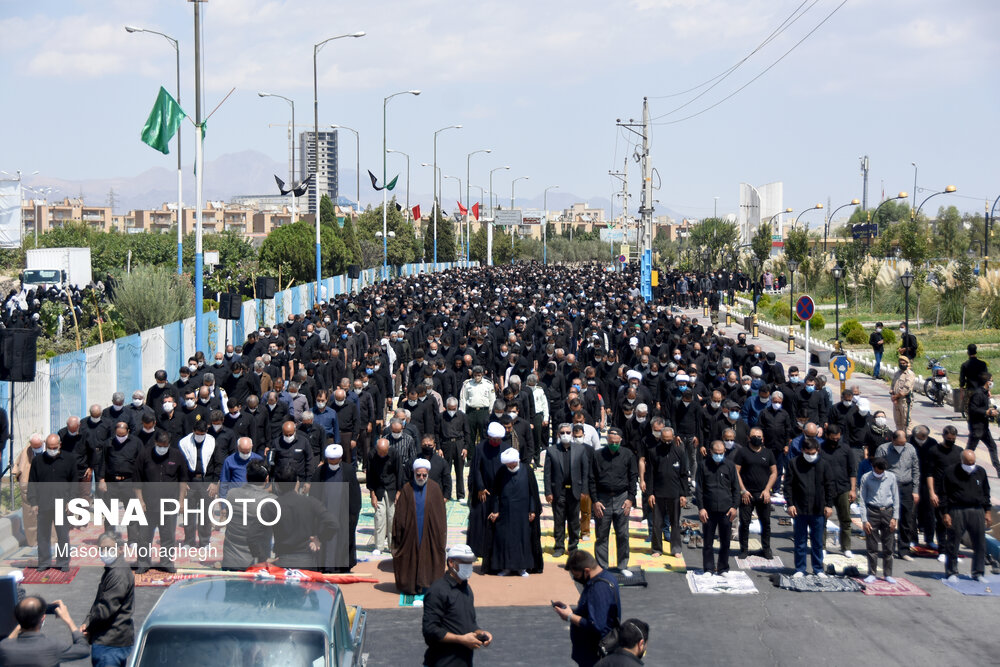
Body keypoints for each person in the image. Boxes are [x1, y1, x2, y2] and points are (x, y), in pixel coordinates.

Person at [421, 544, 493, 666]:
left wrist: (480, 633)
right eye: (464, 562)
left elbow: (470, 623)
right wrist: (461, 639)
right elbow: (430, 630)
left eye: (470, 562)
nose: (469, 566)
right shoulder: (437, 591)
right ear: (451, 562)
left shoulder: (466, 589)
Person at [553, 550, 621, 667]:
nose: (576, 579)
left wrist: (569, 616)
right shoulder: (605, 577)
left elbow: (596, 625)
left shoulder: (599, 588)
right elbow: (594, 611)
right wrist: (571, 611)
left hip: (594, 656)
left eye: (577, 576)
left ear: (587, 571)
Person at [134, 432, 189, 574]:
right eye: (159, 446)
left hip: (169, 505)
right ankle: (143, 562)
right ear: (155, 443)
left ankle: (166, 561)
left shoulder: (177, 456)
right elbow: (137, 480)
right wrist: (140, 501)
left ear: (169, 445)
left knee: (168, 535)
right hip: (148, 505)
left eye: (165, 446)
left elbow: (183, 480)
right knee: (144, 536)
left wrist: (181, 501)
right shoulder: (144, 455)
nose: (162, 448)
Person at [81, 533, 135, 666]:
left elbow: (105, 610)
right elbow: (99, 601)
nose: (105, 552)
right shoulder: (113, 569)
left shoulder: (118, 573)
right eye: (102, 549)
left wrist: (89, 628)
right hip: (114, 640)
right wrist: (87, 621)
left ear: (121, 549)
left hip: (110, 642)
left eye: (109, 548)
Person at [783, 437, 834, 577]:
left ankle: (818, 569)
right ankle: (800, 568)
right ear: (802, 450)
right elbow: (788, 486)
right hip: (799, 508)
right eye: (808, 453)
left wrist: (829, 505)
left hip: (818, 509)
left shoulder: (824, 464)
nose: (811, 456)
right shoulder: (794, 463)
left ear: (817, 450)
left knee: (817, 542)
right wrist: (790, 504)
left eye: (813, 453)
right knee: (800, 541)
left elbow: (830, 486)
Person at [271, 463, 337, 568]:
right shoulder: (311, 503)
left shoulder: (272, 506)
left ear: (277, 485)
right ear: (297, 483)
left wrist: (261, 556)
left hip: (282, 560)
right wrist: (320, 538)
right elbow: (333, 523)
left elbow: (254, 534)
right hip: (307, 560)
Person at [488, 448, 542, 576]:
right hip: (505, 512)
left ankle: (522, 567)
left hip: (523, 512)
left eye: (511, 464)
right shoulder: (501, 472)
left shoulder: (527, 470)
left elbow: (532, 492)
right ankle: (505, 567)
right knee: (505, 539)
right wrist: (495, 510)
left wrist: (532, 509)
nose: (510, 466)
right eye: (507, 464)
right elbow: (496, 493)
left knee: (522, 539)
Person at [591, 428, 638, 574]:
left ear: (621, 441)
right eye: (611, 442)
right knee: (601, 535)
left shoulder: (628, 454)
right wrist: (595, 501)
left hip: (621, 498)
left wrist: (630, 499)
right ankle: (602, 566)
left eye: (616, 442)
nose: (613, 444)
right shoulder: (598, 455)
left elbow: (633, 477)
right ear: (607, 441)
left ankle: (622, 565)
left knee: (623, 534)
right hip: (602, 498)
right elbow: (591, 479)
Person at [941, 450, 992, 582]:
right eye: (968, 463)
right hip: (957, 510)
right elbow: (944, 494)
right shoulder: (950, 472)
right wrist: (945, 513)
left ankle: (978, 572)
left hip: (977, 510)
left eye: (973, 463)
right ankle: (951, 571)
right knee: (953, 542)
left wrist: (987, 511)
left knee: (980, 543)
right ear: (962, 461)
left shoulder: (980, 472)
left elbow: (986, 492)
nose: (971, 465)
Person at [26, 434, 75, 572]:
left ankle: (63, 561)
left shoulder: (69, 459)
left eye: (54, 447)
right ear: (45, 446)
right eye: (49, 447)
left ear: (59, 445)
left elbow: (74, 481)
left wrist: (71, 501)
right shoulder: (38, 461)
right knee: (43, 535)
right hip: (43, 503)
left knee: (62, 535)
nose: (52, 450)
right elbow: (32, 482)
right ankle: (44, 561)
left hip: (61, 503)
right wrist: (33, 502)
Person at [310, 444, 362, 572]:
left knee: (343, 540)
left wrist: (353, 516)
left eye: (335, 460)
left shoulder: (348, 470)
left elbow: (355, 494)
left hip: (343, 514)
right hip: (325, 516)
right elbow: (314, 495)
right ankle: (326, 567)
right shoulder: (320, 472)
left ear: (340, 459)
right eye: (330, 461)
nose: (332, 463)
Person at [545, 423, 593, 557]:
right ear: (558, 435)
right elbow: (547, 474)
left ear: (571, 434)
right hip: (558, 491)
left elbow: (585, 471)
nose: (565, 435)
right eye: (562, 432)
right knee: (559, 520)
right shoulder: (552, 450)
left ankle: (573, 547)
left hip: (575, 491)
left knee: (573, 521)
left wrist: (585, 490)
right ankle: (559, 547)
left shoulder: (580, 450)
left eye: (567, 432)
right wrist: (548, 492)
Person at [0, 597, 90, 666]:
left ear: (16, 618)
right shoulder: (52, 646)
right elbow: (84, 650)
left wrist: (22, 619)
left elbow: (7, 642)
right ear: (43, 618)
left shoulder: (4, 647)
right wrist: (68, 620)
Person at [221, 461, 278, 570]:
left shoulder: (231, 494)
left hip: (231, 559)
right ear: (267, 479)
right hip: (256, 563)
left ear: (246, 477)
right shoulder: (271, 501)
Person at [643, 426, 689, 557]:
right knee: (657, 523)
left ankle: (676, 549)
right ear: (660, 438)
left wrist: (683, 494)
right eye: (664, 440)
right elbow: (650, 475)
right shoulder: (653, 452)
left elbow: (684, 475)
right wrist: (650, 493)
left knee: (675, 523)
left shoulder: (680, 452)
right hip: (658, 493)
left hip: (675, 493)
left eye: (669, 440)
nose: (667, 442)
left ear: (673, 438)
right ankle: (657, 549)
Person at [695, 440, 740, 574]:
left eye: (721, 453)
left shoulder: (730, 466)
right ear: (711, 451)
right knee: (708, 542)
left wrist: (734, 507)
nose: (719, 455)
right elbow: (699, 490)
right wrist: (701, 508)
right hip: (708, 510)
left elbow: (736, 488)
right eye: (716, 453)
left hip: (726, 510)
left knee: (725, 542)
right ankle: (708, 568)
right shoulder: (703, 466)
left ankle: (723, 568)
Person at [876, 430, 920, 561]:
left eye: (903, 443)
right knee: (888, 519)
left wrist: (915, 490)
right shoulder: (883, 449)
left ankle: (904, 550)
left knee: (907, 518)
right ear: (893, 440)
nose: (901, 446)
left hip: (906, 487)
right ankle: (888, 549)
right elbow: (878, 470)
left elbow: (916, 469)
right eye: (899, 444)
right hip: (889, 487)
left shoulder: (910, 449)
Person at [734, 426, 777, 559]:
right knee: (745, 522)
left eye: (759, 436)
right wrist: (743, 490)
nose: (757, 438)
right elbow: (736, 472)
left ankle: (766, 548)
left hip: (763, 494)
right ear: (748, 438)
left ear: (763, 439)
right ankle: (744, 549)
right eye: (754, 436)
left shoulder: (768, 453)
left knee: (766, 522)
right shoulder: (742, 452)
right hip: (747, 494)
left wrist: (767, 490)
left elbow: (774, 473)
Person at [466, 422, 506, 559]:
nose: (496, 442)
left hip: (499, 491)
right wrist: (480, 487)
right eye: (493, 439)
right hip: (483, 490)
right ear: (489, 437)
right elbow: (476, 469)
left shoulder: (505, 448)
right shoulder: (480, 448)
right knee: (478, 519)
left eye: (498, 440)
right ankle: (477, 550)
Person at [859, 456, 899, 583]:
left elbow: (896, 498)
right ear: (873, 468)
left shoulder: (891, 477)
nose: (879, 474)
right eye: (877, 472)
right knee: (872, 545)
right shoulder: (866, 478)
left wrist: (895, 518)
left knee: (889, 545)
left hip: (887, 511)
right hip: (872, 512)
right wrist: (864, 520)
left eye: (881, 472)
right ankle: (872, 572)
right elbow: (862, 500)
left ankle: (888, 574)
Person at [821, 424, 857, 558]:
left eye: (837, 438)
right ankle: (822, 547)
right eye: (833, 438)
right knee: (822, 519)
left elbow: (852, 471)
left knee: (845, 520)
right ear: (827, 436)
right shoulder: (821, 449)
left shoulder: (846, 449)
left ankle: (846, 547)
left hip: (843, 488)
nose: (835, 441)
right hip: (825, 490)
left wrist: (853, 490)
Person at [368, 438, 402, 555]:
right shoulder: (372, 455)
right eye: (380, 452)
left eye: (384, 452)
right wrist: (372, 494)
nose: (382, 455)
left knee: (392, 517)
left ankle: (392, 546)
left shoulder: (395, 453)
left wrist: (399, 492)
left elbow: (399, 473)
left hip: (392, 488)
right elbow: (370, 475)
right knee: (379, 517)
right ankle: (379, 546)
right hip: (378, 489)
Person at [12, 434, 44, 547]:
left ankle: (50, 542)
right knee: (30, 516)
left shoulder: (50, 450)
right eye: (34, 446)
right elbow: (17, 466)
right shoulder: (26, 452)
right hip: (29, 486)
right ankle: (33, 542)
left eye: (39, 446)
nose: (37, 448)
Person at [966, 372, 1000, 477]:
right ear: (987, 382)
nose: (992, 382)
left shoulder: (984, 393)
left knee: (992, 446)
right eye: (992, 380)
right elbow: (972, 409)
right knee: (970, 449)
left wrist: (990, 411)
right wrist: (987, 412)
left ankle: (998, 469)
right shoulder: (978, 394)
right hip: (977, 427)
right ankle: (962, 466)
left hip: (984, 427)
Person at [890, 356, 917, 431]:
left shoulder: (910, 374)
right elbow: (892, 386)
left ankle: (907, 437)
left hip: (905, 401)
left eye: (903, 363)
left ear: (907, 364)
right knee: (898, 421)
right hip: (896, 401)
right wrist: (893, 396)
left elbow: (906, 389)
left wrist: (895, 397)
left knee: (906, 421)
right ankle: (899, 436)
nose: (902, 364)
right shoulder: (897, 373)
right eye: (900, 363)